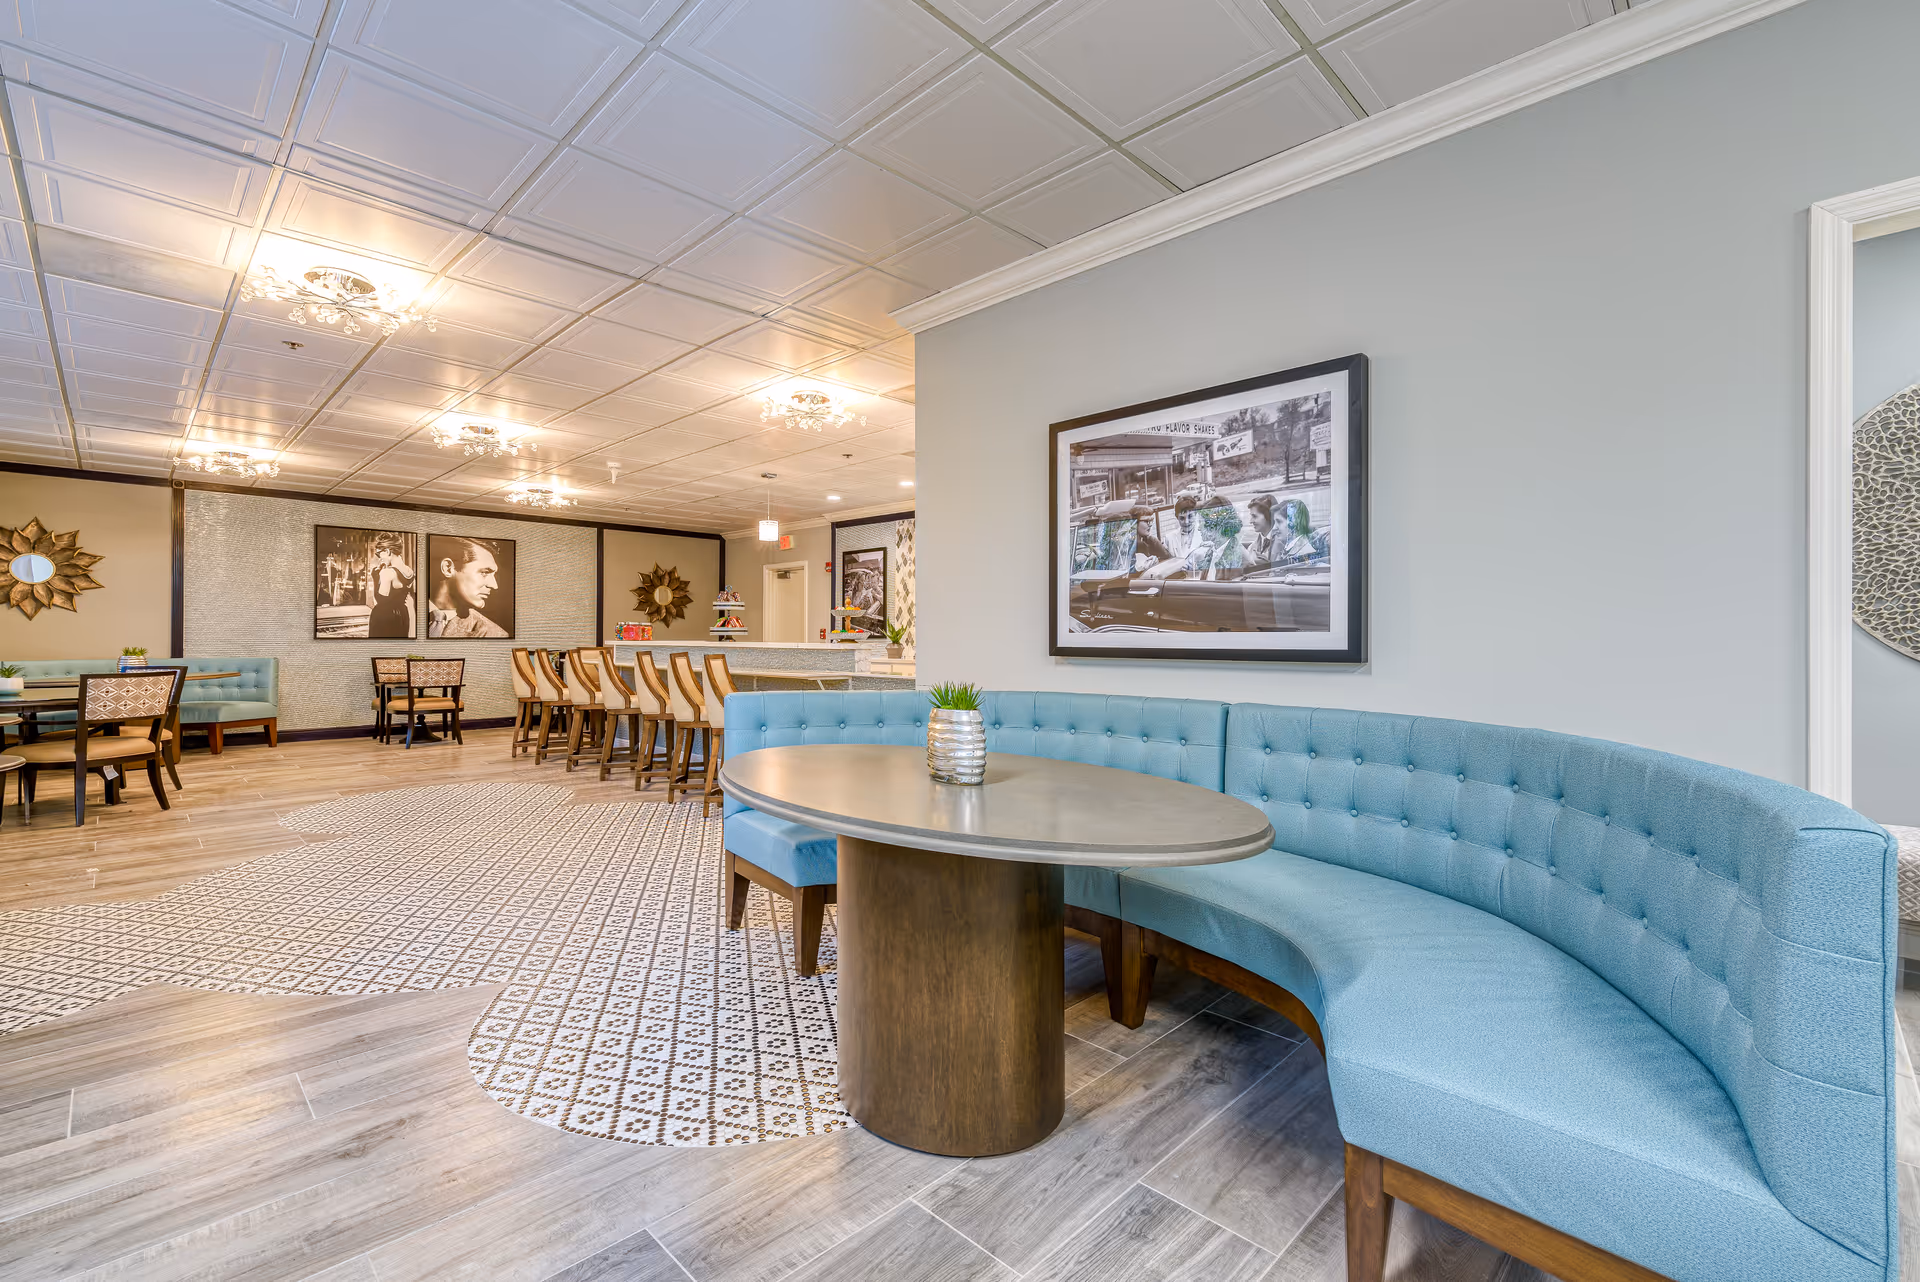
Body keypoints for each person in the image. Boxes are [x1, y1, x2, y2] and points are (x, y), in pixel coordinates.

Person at [427, 537, 509, 638]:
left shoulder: (492, 634)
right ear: (448, 568)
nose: (494, 585)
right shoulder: (406, 609)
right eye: (485, 572)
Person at [366, 535, 416, 639]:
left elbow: (379, 600)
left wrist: (375, 577)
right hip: (402, 615)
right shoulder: (409, 571)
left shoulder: (387, 573)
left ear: (388, 551)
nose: (379, 558)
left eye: (379, 554)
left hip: (384, 618)